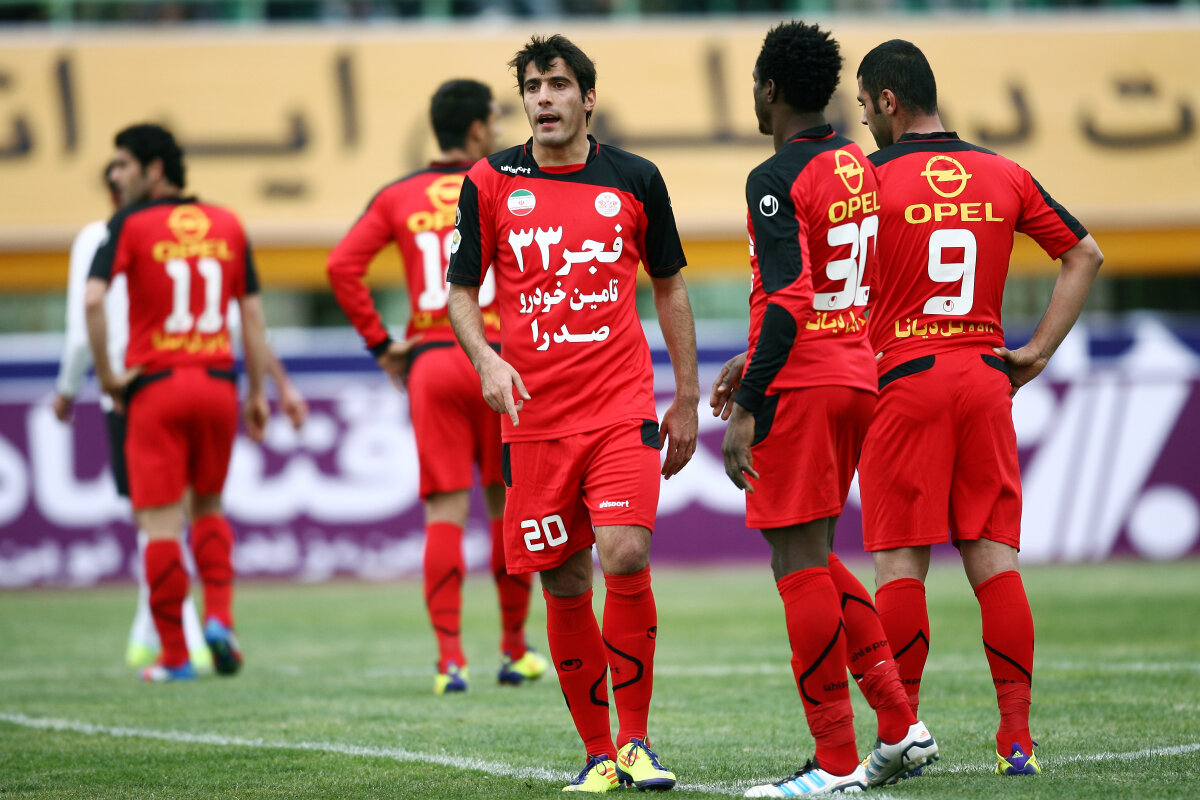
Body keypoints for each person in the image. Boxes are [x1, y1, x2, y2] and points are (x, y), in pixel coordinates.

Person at [446, 34, 699, 793]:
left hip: (621, 406)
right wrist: (486, 360)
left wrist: (686, 396)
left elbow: (669, 286)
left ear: (588, 98)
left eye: (558, 85)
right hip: (534, 419)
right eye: (532, 87)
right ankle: (597, 754)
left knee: (624, 553)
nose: (544, 99)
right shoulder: (489, 181)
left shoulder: (636, 179)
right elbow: (461, 293)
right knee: (562, 581)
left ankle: (636, 742)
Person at [854, 40, 1103, 775]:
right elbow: (1084, 254)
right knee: (995, 561)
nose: (863, 120)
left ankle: (903, 734)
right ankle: (1016, 741)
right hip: (987, 377)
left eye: (865, 105)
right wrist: (1038, 352)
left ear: (889, 101)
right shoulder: (1004, 172)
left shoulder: (867, 180)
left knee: (900, 564)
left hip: (905, 378)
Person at [709, 22, 938, 797]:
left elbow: (789, 297)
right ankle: (900, 724)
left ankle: (836, 762)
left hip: (802, 384)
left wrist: (749, 403)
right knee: (815, 556)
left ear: (770, 89)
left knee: (796, 565)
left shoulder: (774, 176)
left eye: (755, 83)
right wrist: (753, 359)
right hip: (853, 373)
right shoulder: (855, 164)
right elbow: (827, 289)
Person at [326, 78, 547, 695]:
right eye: (495, 120)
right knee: (508, 506)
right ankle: (514, 649)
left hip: (431, 360)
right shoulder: (510, 183)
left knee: (444, 512)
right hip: (500, 358)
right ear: (476, 129)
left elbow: (342, 266)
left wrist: (381, 345)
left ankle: (450, 660)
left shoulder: (398, 194)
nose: (501, 129)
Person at [57, 163, 307, 673]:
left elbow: (85, 318)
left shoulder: (109, 232)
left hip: (140, 388)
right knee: (208, 507)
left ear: (146, 174)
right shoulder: (221, 224)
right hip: (214, 379)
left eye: (123, 166)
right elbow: (247, 318)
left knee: (156, 523)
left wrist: (87, 384)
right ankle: (214, 620)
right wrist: (269, 387)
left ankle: (175, 647)